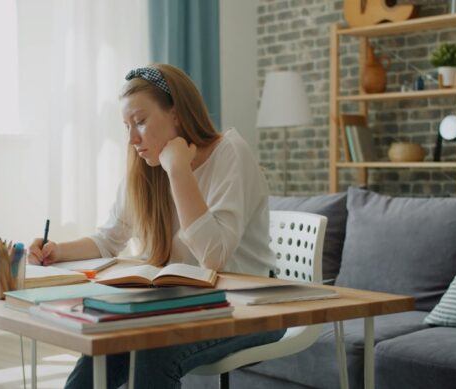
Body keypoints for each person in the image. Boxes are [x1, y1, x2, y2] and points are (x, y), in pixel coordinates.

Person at [28, 63, 284, 389]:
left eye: (141, 122)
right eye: (126, 126)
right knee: (97, 358)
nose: (132, 138)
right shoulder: (146, 166)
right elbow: (109, 238)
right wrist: (56, 250)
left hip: (250, 308)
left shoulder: (229, 153)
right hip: (180, 305)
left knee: (153, 353)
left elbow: (214, 258)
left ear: (176, 114)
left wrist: (178, 170)